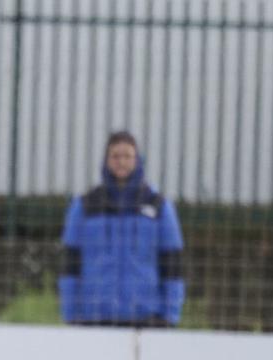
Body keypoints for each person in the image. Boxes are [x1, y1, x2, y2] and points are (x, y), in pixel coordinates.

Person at [59, 130, 186, 327]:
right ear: (106, 160)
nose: (121, 162)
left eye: (127, 156)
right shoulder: (85, 205)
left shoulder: (158, 206)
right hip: (93, 318)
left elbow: (173, 264)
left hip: (146, 318)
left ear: (137, 160)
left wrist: (170, 316)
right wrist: (71, 314)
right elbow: (70, 264)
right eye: (115, 156)